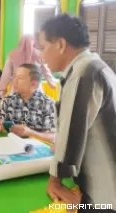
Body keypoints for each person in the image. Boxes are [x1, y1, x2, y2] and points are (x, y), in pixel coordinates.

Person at [40, 14, 116, 212]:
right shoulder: (98, 66)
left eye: (44, 47)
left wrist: (55, 181)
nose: (42, 56)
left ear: (60, 44)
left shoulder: (82, 73)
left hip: (105, 193)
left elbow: (72, 132)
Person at [0, 63, 55, 143]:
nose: (14, 81)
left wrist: (31, 133)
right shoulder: (7, 100)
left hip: (37, 150)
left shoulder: (48, 104)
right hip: (11, 146)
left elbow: (53, 136)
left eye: (20, 78)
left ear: (33, 84)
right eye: (15, 76)